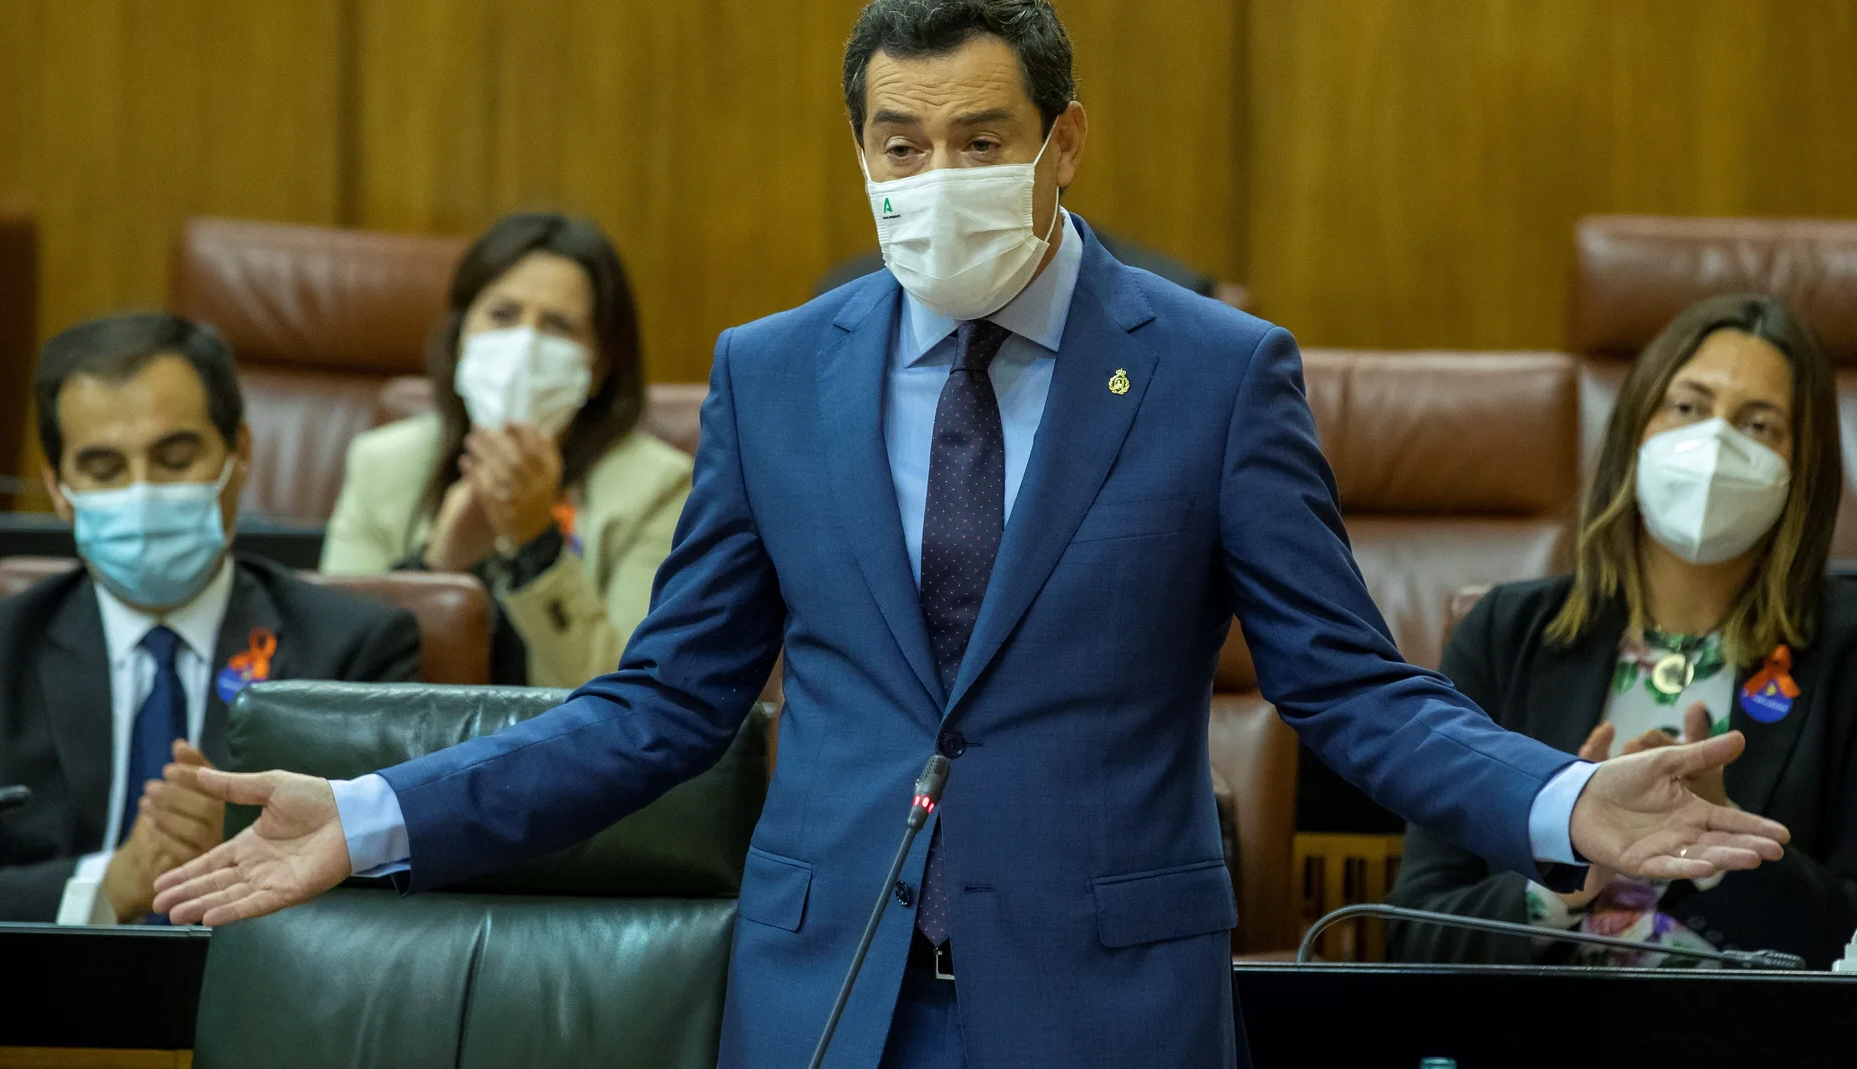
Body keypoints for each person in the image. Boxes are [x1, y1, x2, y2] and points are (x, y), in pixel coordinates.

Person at [155, 4, 1787, 1066]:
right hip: (822, 994)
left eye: (981, 140)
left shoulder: (1217, 375)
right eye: (900, 144)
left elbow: (1350, 690)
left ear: (1065, 142)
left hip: (1102, 1000)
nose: (937, 176)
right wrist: (368, 812)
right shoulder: (772, 372)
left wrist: (1564, 796)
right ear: (860, 152)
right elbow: (658, 708)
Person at [1389, 295, 1857, 969]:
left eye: (1759, 424)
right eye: (1688, 407)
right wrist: (1563, 874)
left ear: (1803, 470)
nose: (1715, 443)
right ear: (1636, 426)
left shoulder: (1847, 655)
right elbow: (1414, 933)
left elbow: (1850, 935)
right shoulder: (1505, 635)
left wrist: (1721, 854)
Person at [0, 313, 422, 924]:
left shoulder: (352, 648)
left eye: (175, 458)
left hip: (266, 1003)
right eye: (103, 469)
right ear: (57, 487)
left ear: (240, 453)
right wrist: (103, 888)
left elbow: (405, 896)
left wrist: (245, 849)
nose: (142, 492)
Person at [321, 212, 691, 688]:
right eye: (502, 315)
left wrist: (537, 546)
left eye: (557, 326)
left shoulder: (656, 488)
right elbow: (332, 683)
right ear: (460, 336)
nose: (524, 345)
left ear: (600, 367)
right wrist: (437, 570)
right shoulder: (384, 463)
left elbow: (632, 699)